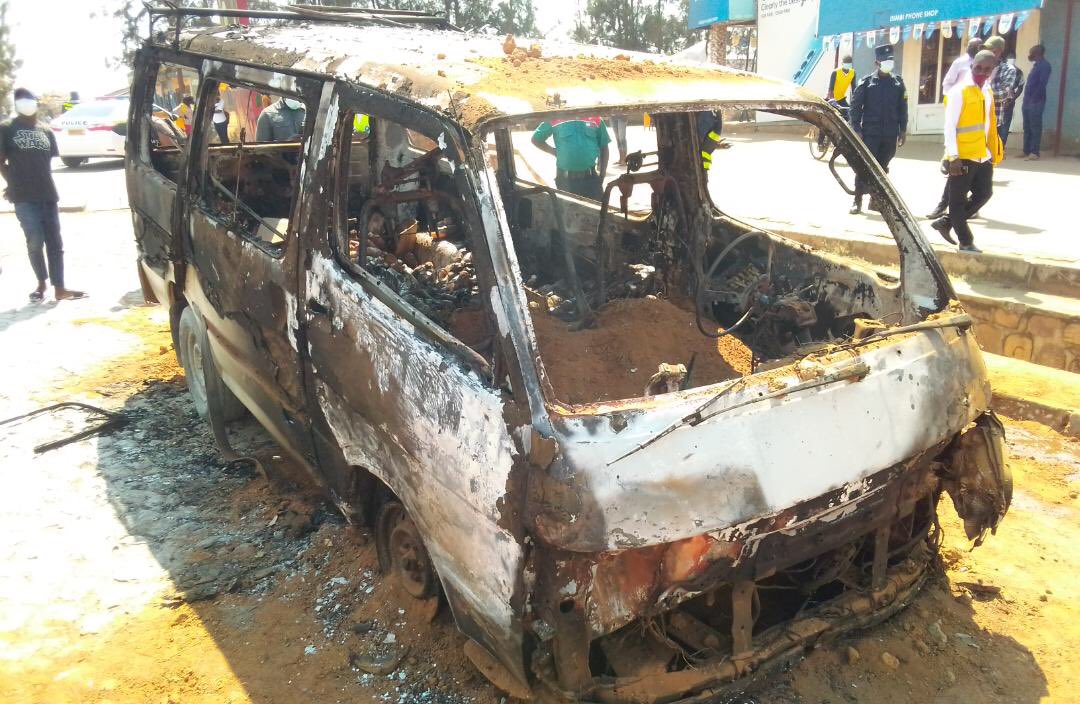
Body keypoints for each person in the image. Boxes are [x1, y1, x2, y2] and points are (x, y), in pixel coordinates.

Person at [0, 88, 85, 301]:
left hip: (48, 194)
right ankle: (41, 283)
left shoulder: (46, 130)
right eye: (20, 99)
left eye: (28, 99)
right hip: (23, 197)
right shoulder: (7, 129)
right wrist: (12, 183)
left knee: (55, 243)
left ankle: (60, 288)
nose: (25, 103)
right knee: (35, 241)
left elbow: (46, 163)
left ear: (35, 102)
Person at [930, 51, 1003, 254]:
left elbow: (988, 124)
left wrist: (992, 150)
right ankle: (966, 241)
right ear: (971, 67)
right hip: (961, 156)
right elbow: (949, 127)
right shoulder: (958, 91)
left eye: (987, 69)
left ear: (992, 70)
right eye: (978, 68)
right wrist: (952, 157)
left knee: (985, 193)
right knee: (957, 201)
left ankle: (947, 222)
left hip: (982, 154)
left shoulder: (986, 91)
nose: (982, 72)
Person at [848, 45, 907, 215]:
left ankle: (875, 200)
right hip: (870, 134)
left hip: (890, 134)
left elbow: (903, 108)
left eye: (891, 60)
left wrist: (903, 130)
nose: (889, 63)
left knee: (883, 167)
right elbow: (855, 107)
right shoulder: (867, 83)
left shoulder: (898, 83)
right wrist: (856, 128)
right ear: (877, 62)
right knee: (864, 167)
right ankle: (857, 200)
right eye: (885, 60)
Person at [531, 116, 610, 200]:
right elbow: (536, 139)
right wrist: (555, 152)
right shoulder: (555, 116)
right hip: (565, 181)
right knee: (567, 208)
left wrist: (602, 175)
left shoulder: (596, 118)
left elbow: (604, 147)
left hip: (591, 179)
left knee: (595, 208)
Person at [1022, 44, 1052, 160]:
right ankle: (1026, 151)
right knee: (1027, 126)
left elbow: (1042, 84)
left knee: (1035, 126)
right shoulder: (1036, 65)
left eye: (1031, 53)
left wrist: (1034, 98)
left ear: (1037, 53)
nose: (1029, 55)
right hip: (1027, 101)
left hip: (1036, 101)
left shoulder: (1045, 66)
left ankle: (1034, 152)